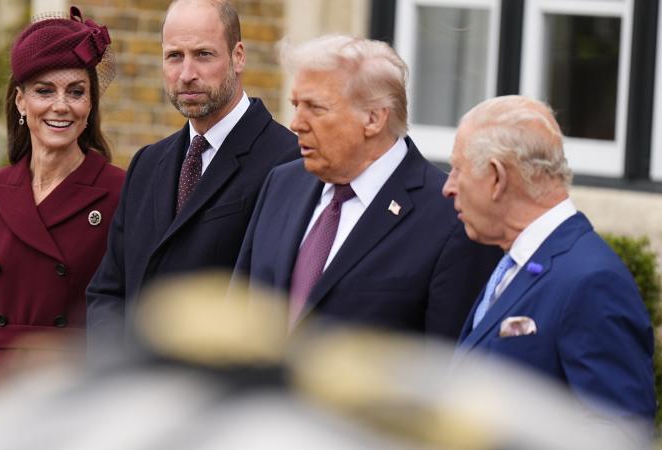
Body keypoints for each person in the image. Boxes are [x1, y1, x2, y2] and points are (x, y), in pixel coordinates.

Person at [233, 34, 501, 337]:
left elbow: (449, 365)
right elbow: (238, 311)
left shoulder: (453, 217)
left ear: (373, 119)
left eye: (315, 108)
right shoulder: (282, 183)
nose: (297, 123)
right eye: (296, 105)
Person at [85, 0, 299, 350]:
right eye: (174, 56)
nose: (186, 73)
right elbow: (108, 290)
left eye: (203, 54)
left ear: (238, 56)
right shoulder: (146, 163)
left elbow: (274, 304)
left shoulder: (288, 162)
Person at [0, 7, 126, 398]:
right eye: (45, 90)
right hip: (0, 394)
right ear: (20, 101)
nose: (61, 106)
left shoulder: (120, 191)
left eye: (76, 91)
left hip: (75, 394)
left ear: (90, 104)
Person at [445, 95, 655, 421]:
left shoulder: (591, 280)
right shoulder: (515, 261)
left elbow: (618, 434)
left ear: (497, 177)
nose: (448, 187)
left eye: (458, 170)